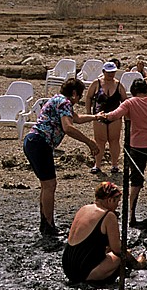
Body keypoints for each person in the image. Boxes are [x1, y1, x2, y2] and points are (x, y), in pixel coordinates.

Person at [23, 78, 100, 236]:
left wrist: (96, 117)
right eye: (79, 95)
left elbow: (77, 119)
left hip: (33, 141)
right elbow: (68, 127)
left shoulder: (58, 100)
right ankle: (49, 225)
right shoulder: (64, 103)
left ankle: (45, 223)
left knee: (46, 186)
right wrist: (89, 142)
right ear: (73, 93)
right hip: (40, 142)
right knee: (50, 185)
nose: (79, 99)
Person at [99, 79, 147, 226]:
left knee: (135, 182)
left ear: (133, 91)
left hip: (137, 146)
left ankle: (132, 214)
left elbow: (114, 115)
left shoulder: (130, 103)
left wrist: (102, 116)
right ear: (146, 91)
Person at [62, 182, 146, 284]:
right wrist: (136, 263)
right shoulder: (108, 216)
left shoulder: (84, 209)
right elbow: (118, 250)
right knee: (121, 257)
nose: (117, 206)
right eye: (117, 202)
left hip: (68, 267)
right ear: (110, 200)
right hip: (85, 271)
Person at [84, 61, 127, 174]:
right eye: (108, 72)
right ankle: (97, 165)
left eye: (112, 72)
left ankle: (114, 165)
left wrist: (125, 114)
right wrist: (89, 114)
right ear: (103, 72)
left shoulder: (118, 84)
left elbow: (125, 101)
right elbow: (88, 98)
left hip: (114, 116)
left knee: (114, 140)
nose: (111, 75)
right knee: (100, 141)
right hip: (99, 116)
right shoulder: (96, 83)